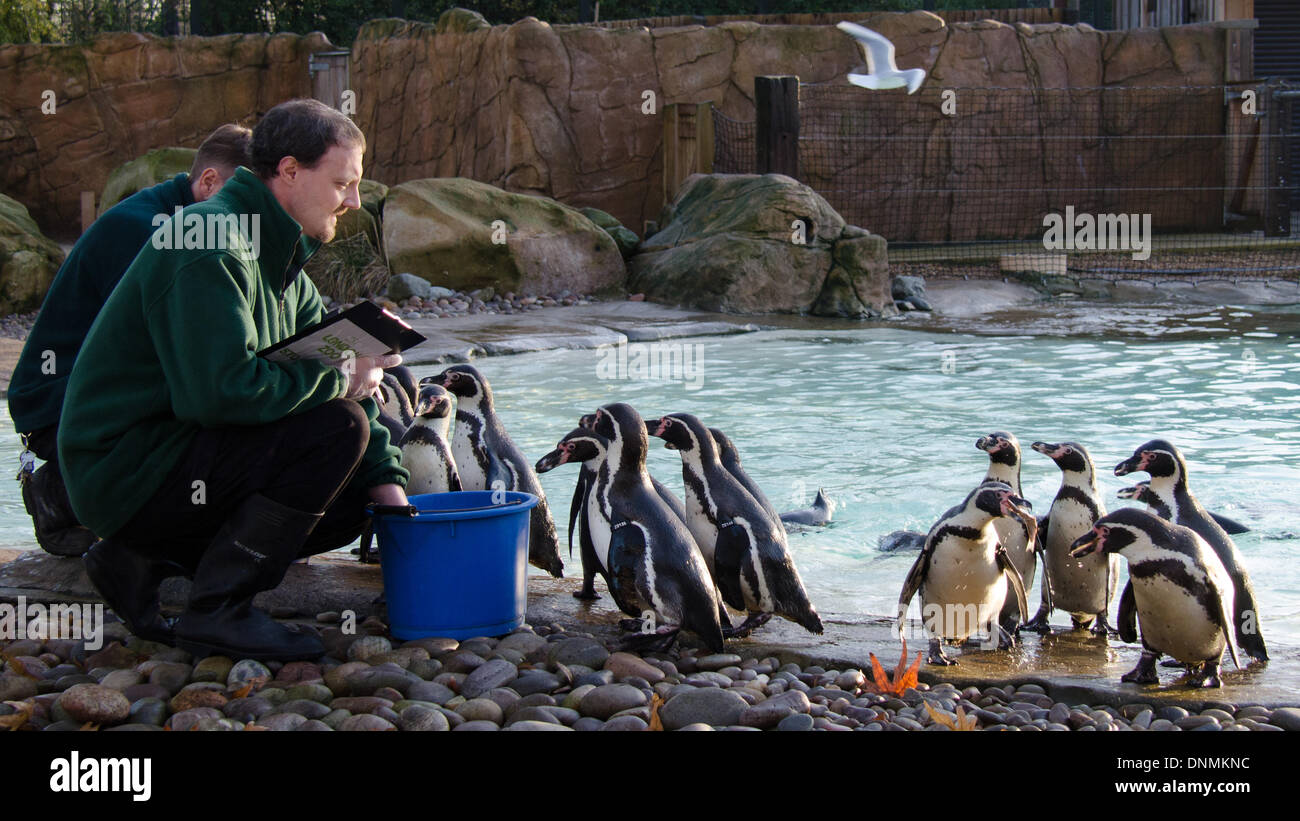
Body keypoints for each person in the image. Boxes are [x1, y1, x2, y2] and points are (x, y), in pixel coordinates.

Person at [59, 99, 409, 660]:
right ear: (291, 171)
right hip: (124, 467)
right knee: (335, 430)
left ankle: (142, 559)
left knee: (351, 497)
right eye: (343, 183)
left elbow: (329, 364)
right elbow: (220, 395)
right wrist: (341, 380)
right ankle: (217, 613)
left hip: (179, 457)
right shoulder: (208, 242)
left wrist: (392, 497)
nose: (354, 201)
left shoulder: (284, 261)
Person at [8, 124, 253, 557]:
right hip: (55, 403)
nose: (249, 213)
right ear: (210, 182)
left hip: (99, 388)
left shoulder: (191, 223)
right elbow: (176, 350)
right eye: (242, 198)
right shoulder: (145, 229)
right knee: (205, 404)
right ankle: (61, 492)